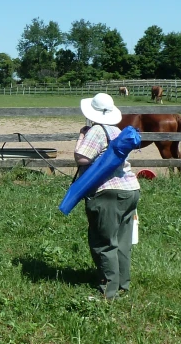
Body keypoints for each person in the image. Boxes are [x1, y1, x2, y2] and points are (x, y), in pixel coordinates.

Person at [74, 93, 141, 301]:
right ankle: (122, 285)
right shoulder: (117, 131)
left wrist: (81, 137)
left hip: (107, 192)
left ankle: (107, 292)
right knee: (122, 241)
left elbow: (82, 158)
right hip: (130, 189)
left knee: (103, 241)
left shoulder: (96, 131)